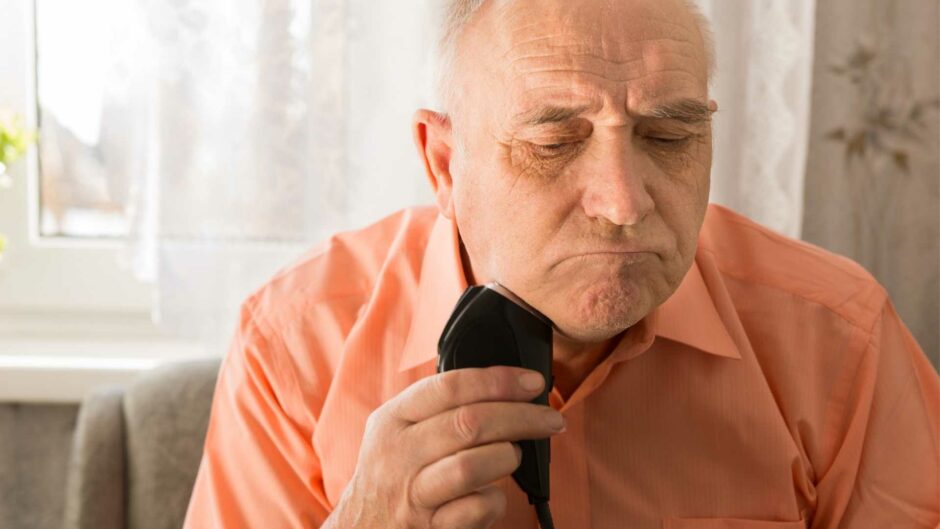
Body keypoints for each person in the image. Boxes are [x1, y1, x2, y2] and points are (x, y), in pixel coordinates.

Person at [183, 0, 940, 527]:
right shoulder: (293, 349)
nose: (622, 202)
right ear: (443, 164)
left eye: (669, 137)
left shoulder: (841, 343)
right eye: (554, 144)